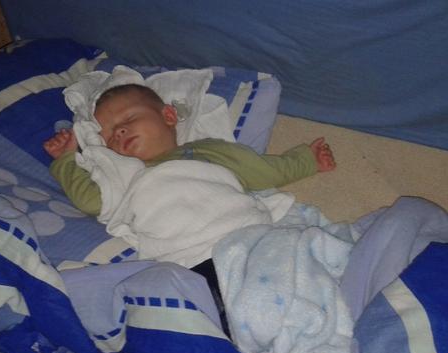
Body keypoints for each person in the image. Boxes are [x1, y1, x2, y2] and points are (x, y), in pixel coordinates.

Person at [44, 84, 336, 336]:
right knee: (217, 321)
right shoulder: (124, 176)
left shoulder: (206, 151)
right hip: (190, 261)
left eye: (129, 119)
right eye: (109, 136)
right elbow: (90, 200)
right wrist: (65, 160)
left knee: (299, 278)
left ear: (168, 117)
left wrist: (306, 161)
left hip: (246, 238)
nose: (119, 132)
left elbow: (261, 171)